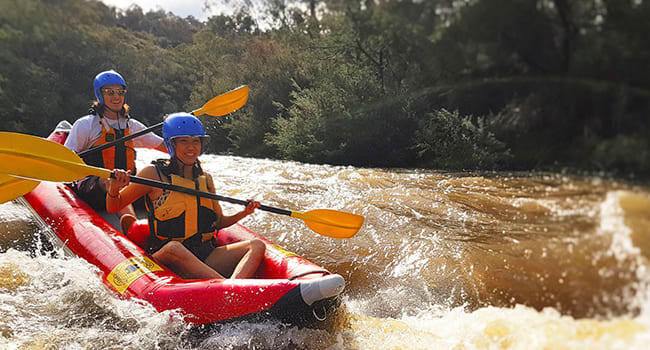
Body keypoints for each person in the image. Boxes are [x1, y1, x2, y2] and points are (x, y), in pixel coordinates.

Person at [106, 112, 265, 279]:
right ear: (171, 144)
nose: (191, 147)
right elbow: (114, 206)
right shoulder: (153, 174)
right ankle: (229, 290)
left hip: (205, 254)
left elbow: (218, 222)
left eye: (196, 141)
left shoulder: (205, 179)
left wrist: (244, 212)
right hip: (167, 256)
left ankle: (232, 288)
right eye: (184, 141)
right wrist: (115, 188)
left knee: (257, 245)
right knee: (174, 247)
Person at [64, 70, 167, 228]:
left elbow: (167, 148)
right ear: (100, 95)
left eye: (120, 92)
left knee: (155, 174)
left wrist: (173, 130)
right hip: (93, 187)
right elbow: (66, 159)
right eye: (110, 92)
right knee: (111, 179)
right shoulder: (86, 125)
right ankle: (133, 227)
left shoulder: (132, 126)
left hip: (126, 187)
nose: (116, 96)